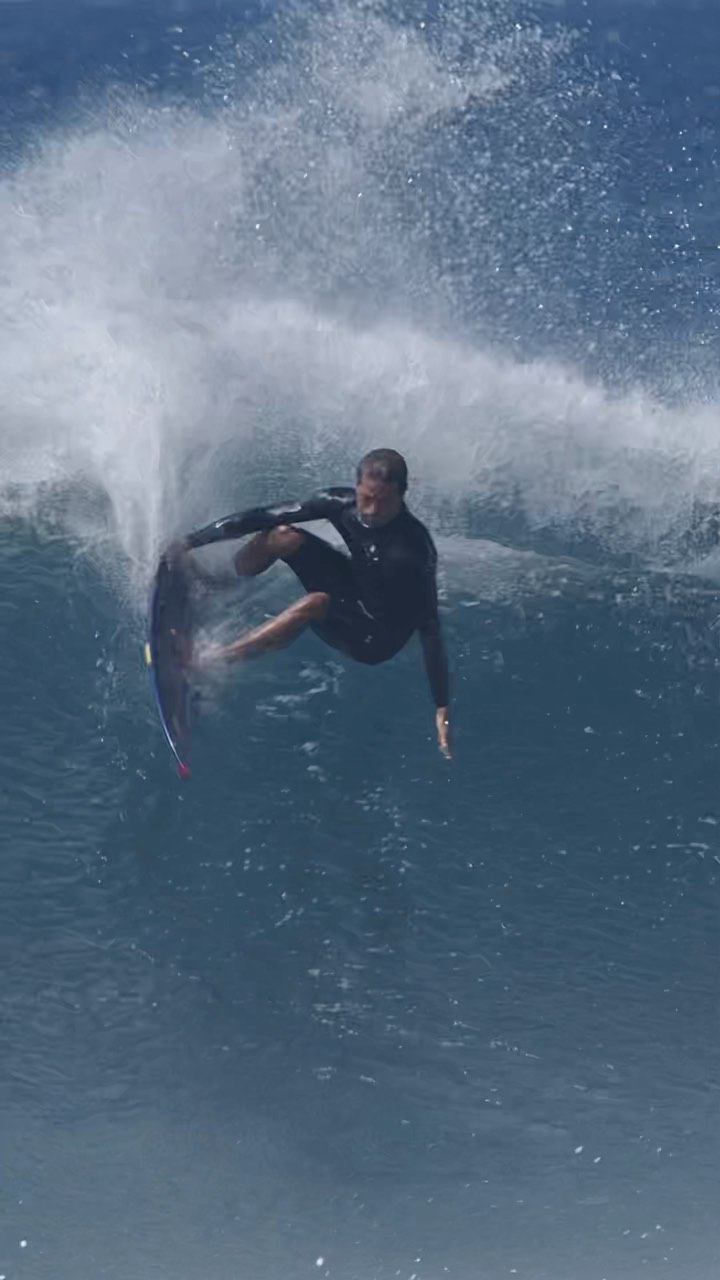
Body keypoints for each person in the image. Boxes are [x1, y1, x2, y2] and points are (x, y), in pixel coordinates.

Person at [181, 448, 451, 757]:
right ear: (357, 486)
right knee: (282, 534)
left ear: (401, 496)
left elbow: (430, 626)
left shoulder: (414, 549)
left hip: (374, 636)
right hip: (355, 586)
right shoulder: (341, 504)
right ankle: (215, 584)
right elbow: (263, 516)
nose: (373, 510)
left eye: (384, 502)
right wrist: (191, 542)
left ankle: (215, 659)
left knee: (316, 602)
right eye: (367, 498)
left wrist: (441, 705)